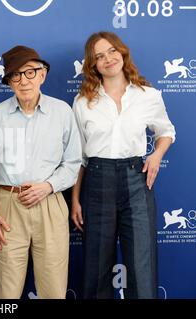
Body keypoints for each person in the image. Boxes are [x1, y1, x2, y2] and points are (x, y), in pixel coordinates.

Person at [71, 31, 176, 299]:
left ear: (122, 52)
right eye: (99, 56)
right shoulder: (83, 101)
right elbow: (79, 157)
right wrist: (75, 200)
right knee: (96, 269)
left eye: (112, 51)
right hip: (96, 181)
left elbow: (167, 131)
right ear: (92, 65)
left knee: (141, 266)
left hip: (136, 180)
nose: (108, 59)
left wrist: (156, 155)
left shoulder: (147, 95)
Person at [0, 45, 82, 299]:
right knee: (5, 293)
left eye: (30, 72)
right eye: (15, 75)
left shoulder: (62, 112)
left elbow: (73, 163)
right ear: (8, 81)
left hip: (50, 203)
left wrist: (47, 186)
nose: (23, 81)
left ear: (42, 74)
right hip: (6, 207)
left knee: (54, 290)